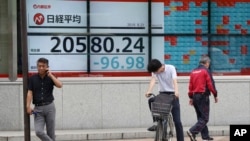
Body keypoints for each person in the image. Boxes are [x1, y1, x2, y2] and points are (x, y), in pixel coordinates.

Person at [145, 59, 184, 141]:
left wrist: (176, 91)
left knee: (177, 121)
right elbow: (153, 80)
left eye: (156, 71)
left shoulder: (171, 68)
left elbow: (175, 81)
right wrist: (149, 91)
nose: (155, 73)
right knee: (151, 100)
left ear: (161, 67)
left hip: (173, 95)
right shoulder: (155, 71)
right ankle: (156, 122)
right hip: (162, 95)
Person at [26, 57, 63, 141]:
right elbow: (29, 93)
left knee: (51, 133)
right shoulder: (32, 79)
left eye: (43, 66)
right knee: (38, 131)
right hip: (38, 109)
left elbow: (60, 85)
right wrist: (28, 106)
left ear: (47, 67)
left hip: (50, 107)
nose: (41, 68)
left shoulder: (51, 77)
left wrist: (51, 75)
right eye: (39, 66)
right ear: (37, 66)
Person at [187, 56, 218, 141]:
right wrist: (215, 94)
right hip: (203, 96)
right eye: (209, 63)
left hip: (195, 96)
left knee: (200, 117)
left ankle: (205, 136)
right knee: (204, 118)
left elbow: (190, 86)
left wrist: (190, 97)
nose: (209, 65)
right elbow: (210, 84)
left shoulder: (193, 71)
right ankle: (192, 131)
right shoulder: (205, 71)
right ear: (207, 63)